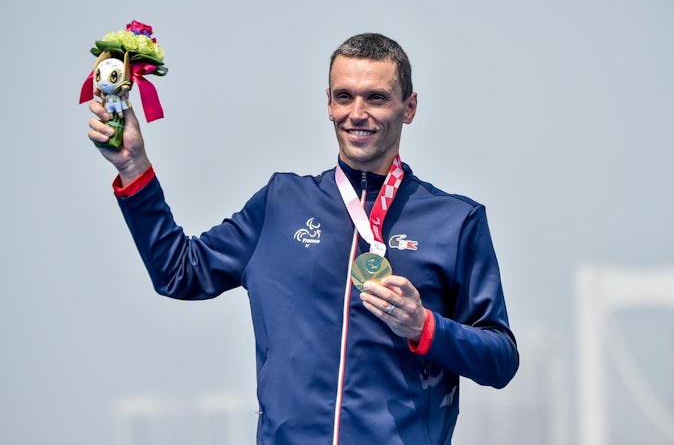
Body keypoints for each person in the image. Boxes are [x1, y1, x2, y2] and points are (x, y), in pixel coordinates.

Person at [87, 33, 519, 445]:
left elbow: (500, 359)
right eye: (344, 96)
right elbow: (178, 272)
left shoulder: (455, 221)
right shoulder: (281, 203)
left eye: (376, 98)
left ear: (409, 107)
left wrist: (424, 326)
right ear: (328, 104)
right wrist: (134, 169)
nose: (357, 113)